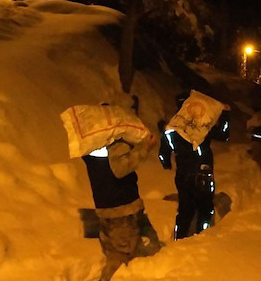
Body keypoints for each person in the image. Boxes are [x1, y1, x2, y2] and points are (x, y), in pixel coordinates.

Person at [80, 114, 159, 281]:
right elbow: (121, 168)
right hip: (124, 212)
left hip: (106, 211)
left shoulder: (89, 145)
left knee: (118, 257)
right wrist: (145, 147)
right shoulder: (114, 143)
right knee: (122, 261)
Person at [158, 92, 230, 240]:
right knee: (205, 208)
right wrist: (225, 115)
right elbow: (224, 134)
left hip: (183, 174)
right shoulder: (202, 127)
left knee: (185, 209)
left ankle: (179, 239)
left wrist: (167, 164)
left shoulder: (172, 128)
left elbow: (163, 154)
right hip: (203, 173)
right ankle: (202, 237)